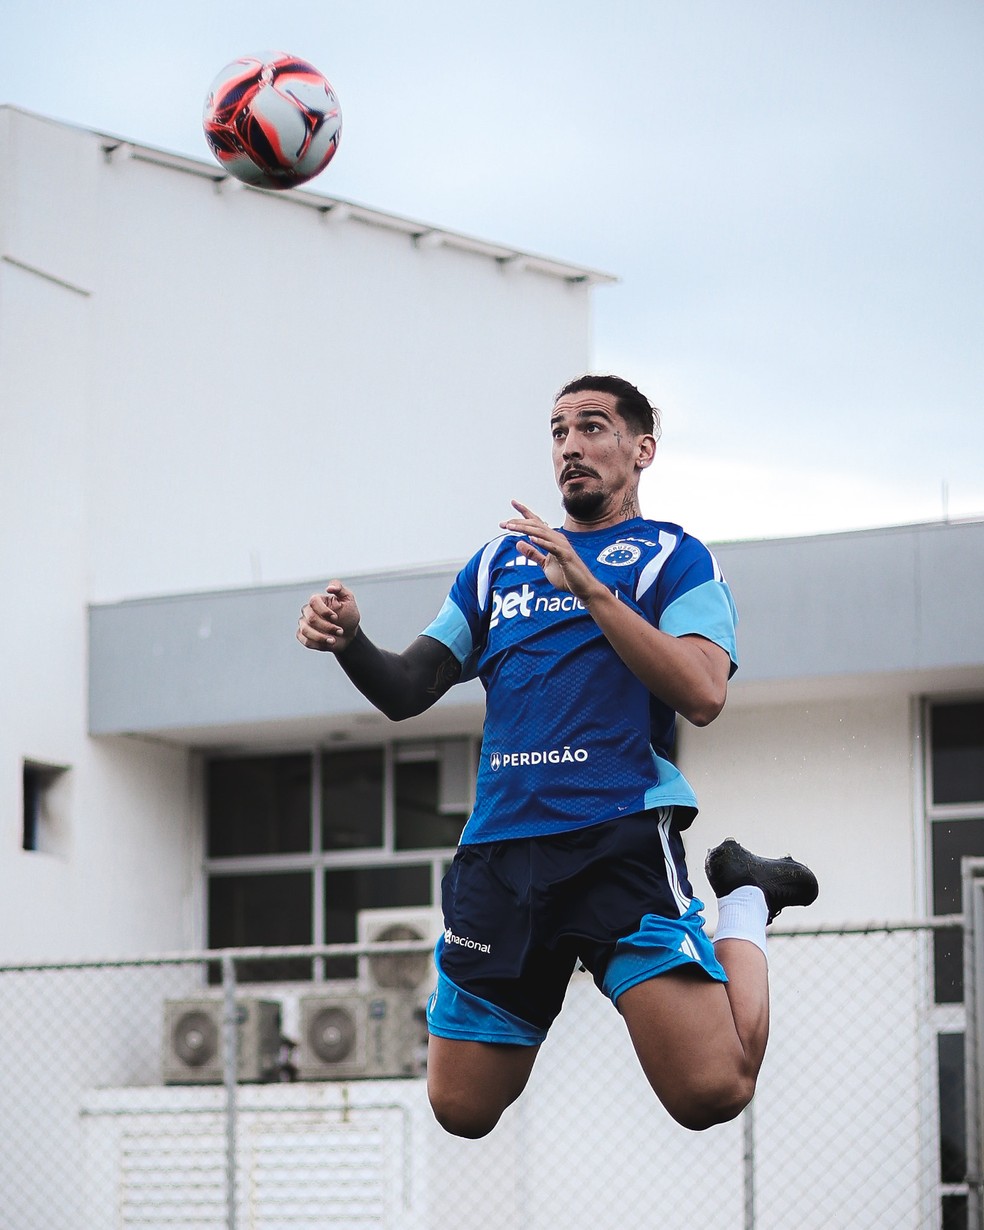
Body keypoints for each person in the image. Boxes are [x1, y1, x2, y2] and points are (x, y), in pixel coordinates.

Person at [297, 374, 817, 1137]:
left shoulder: (674, 558)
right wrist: (350, 644)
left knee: (714, 1092)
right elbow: (409, 687)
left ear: (641, 450)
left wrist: (595, 594)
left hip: (614, 841)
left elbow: (704, 694)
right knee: (461, 1109)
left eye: (593, 428)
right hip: (501, 858)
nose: (571, 446)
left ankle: (743, 899)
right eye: (558, 431)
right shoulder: (497, 565)